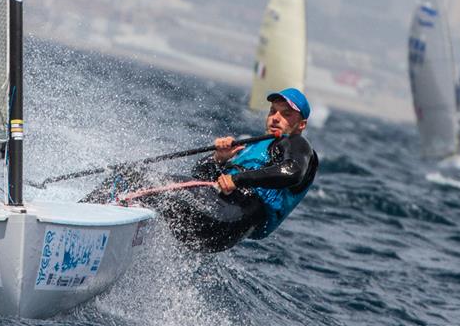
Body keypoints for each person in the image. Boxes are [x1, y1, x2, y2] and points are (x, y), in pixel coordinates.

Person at [83, 87, 318, 252]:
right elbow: (200, 177)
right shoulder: (254, 146)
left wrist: (239, 180)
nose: (276, 118)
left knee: (132, 177)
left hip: (227, 218)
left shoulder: (297, 144)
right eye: (272, 112)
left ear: (301, 124)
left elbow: (292, 172)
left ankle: (82, 218)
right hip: (213, 223)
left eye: (286, 114)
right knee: (144, 189)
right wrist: (218, 159)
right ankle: (106, 230)